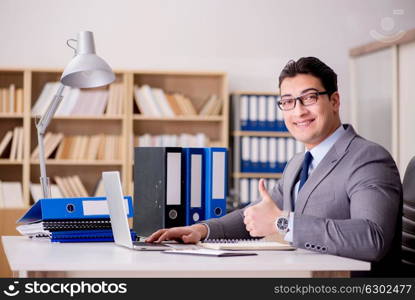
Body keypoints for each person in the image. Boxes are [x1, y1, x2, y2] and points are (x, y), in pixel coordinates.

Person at [146, 57, 402, 275]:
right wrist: (200, 230)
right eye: (288, 101)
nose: (298, 111)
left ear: (334, 101)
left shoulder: (367, 158)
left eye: (309, 98)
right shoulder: (298, 163)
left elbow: (372, 238)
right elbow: (255, 215)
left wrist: (282, 223)